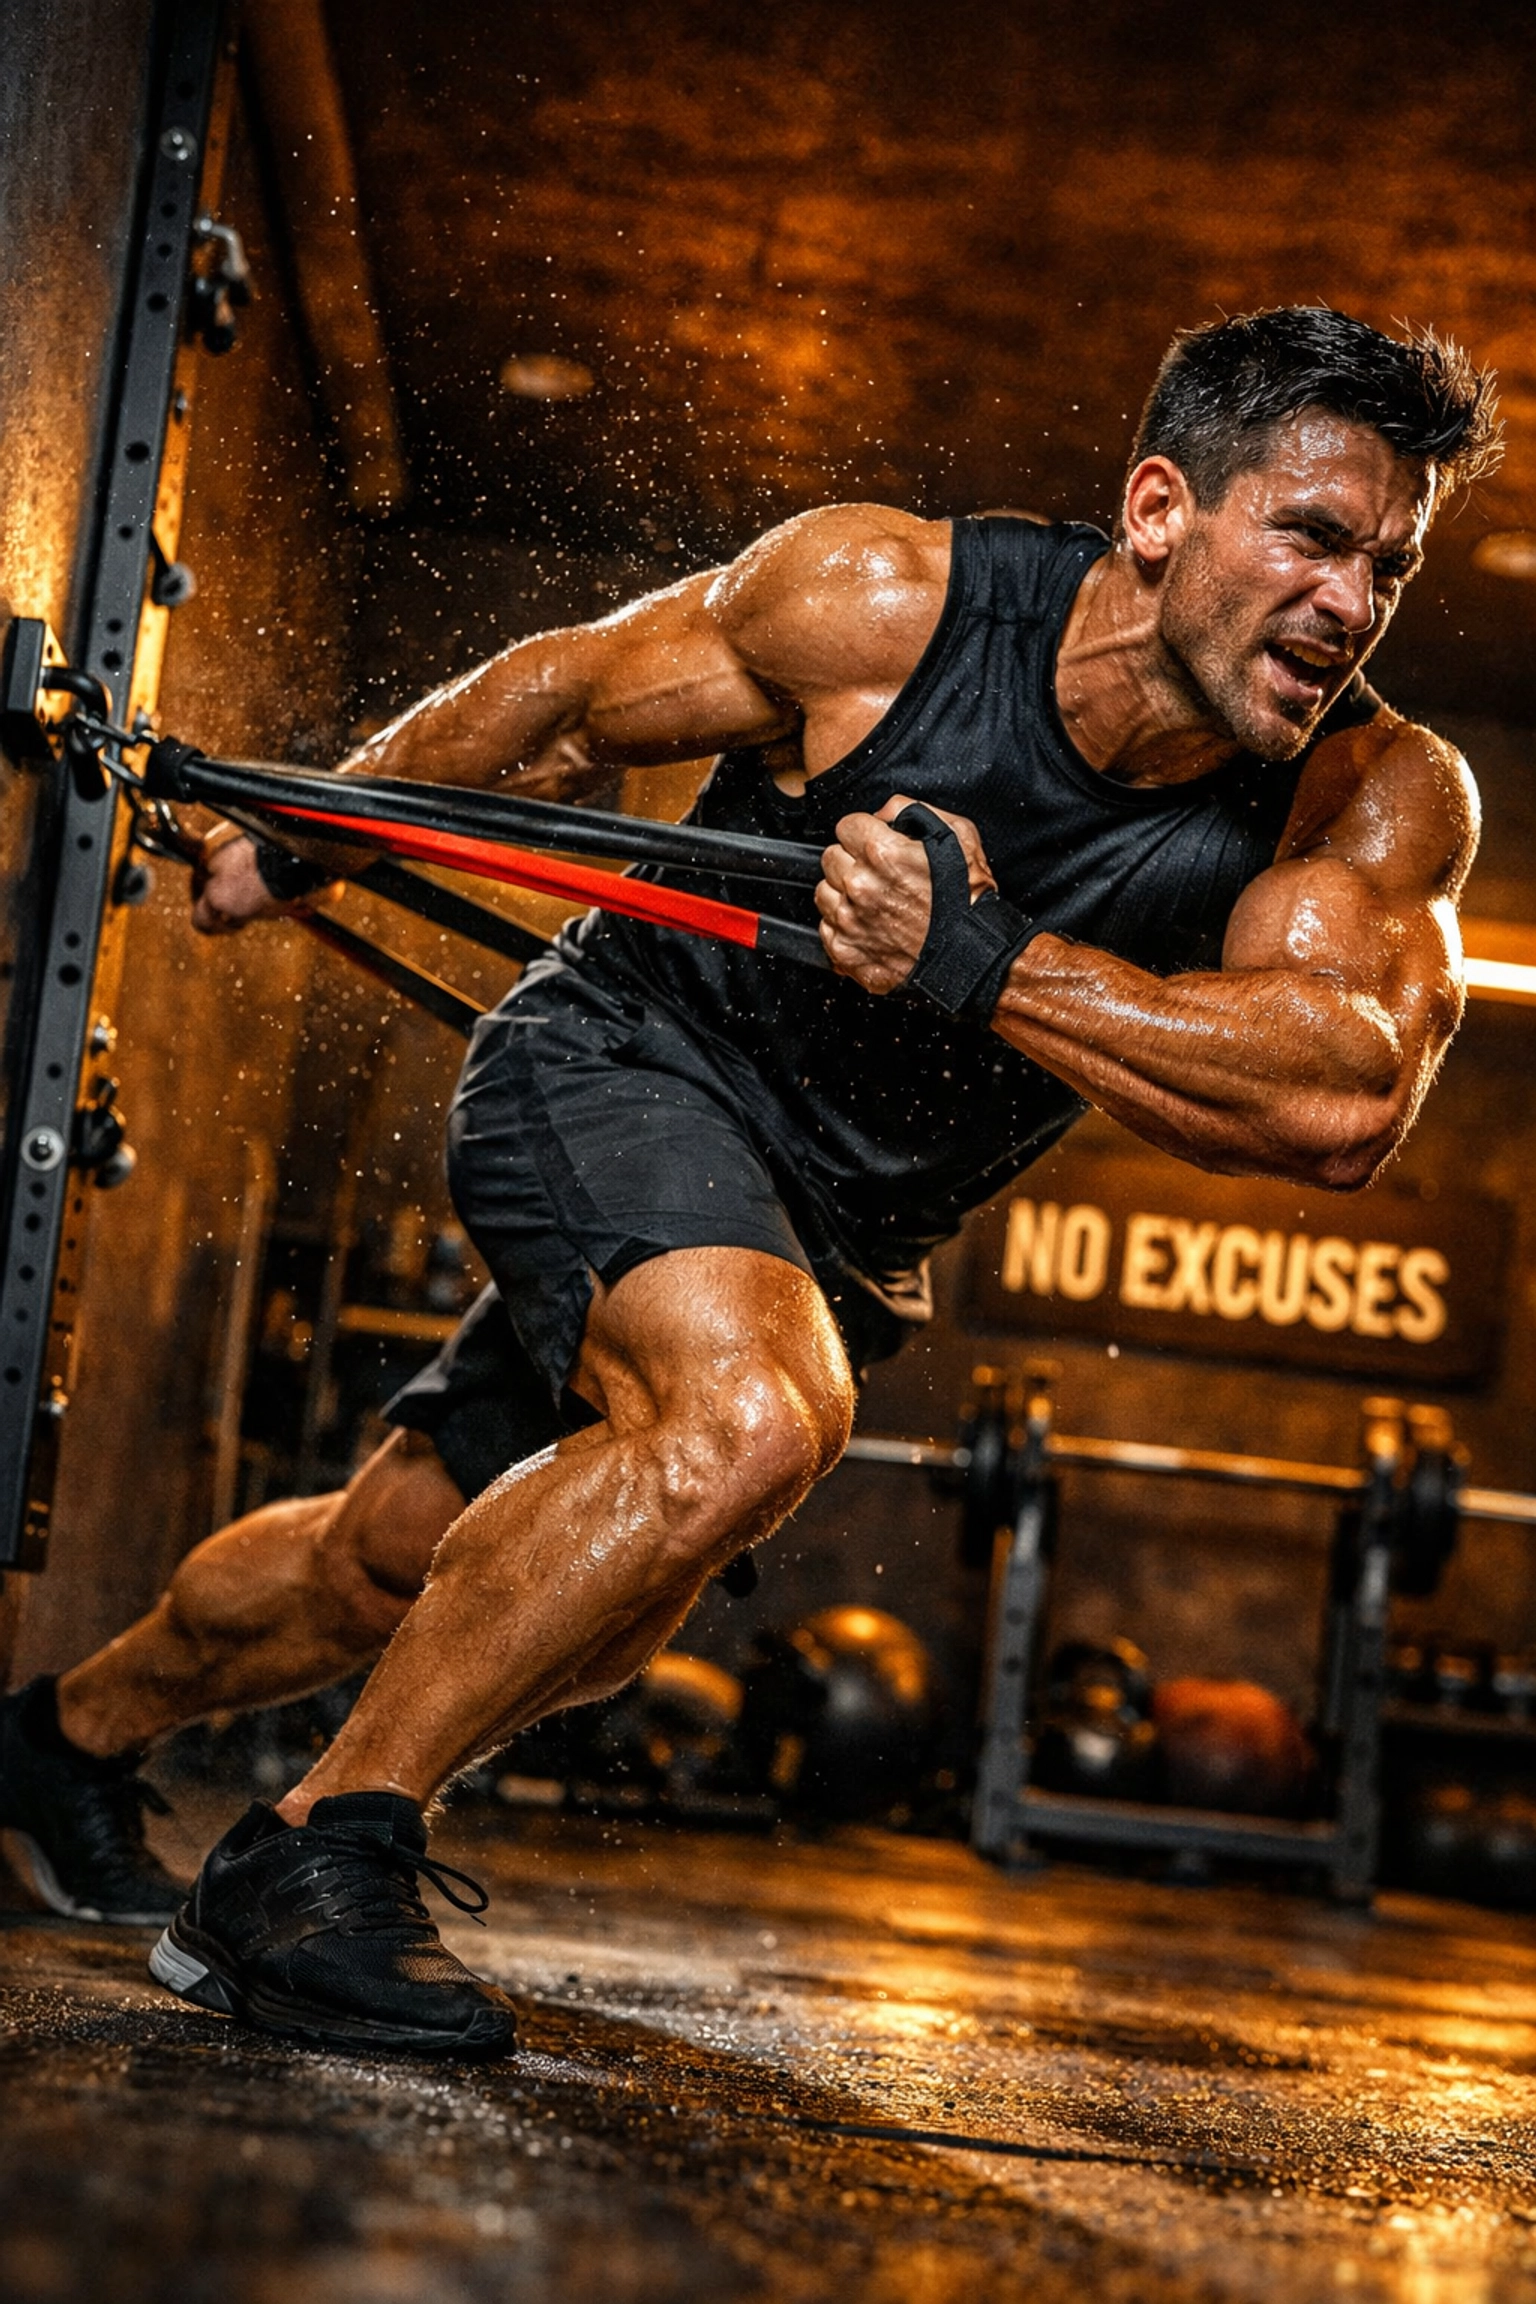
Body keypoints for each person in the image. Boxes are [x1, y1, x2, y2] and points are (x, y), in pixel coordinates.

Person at [0, 306, 1499, 2057]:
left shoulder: (1368, 795)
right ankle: (310, 1858)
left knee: (403, 1562)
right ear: (1164, 509)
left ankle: (62, 1742)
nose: (1348, 602)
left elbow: (1344, 1098)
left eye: (1384, 567)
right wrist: (311, 830)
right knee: (756, 1417)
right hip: (628, 1060)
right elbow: (564, 697)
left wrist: (986, 962)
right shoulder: (888, 605)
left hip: (833, 1224)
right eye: (1310, 537)